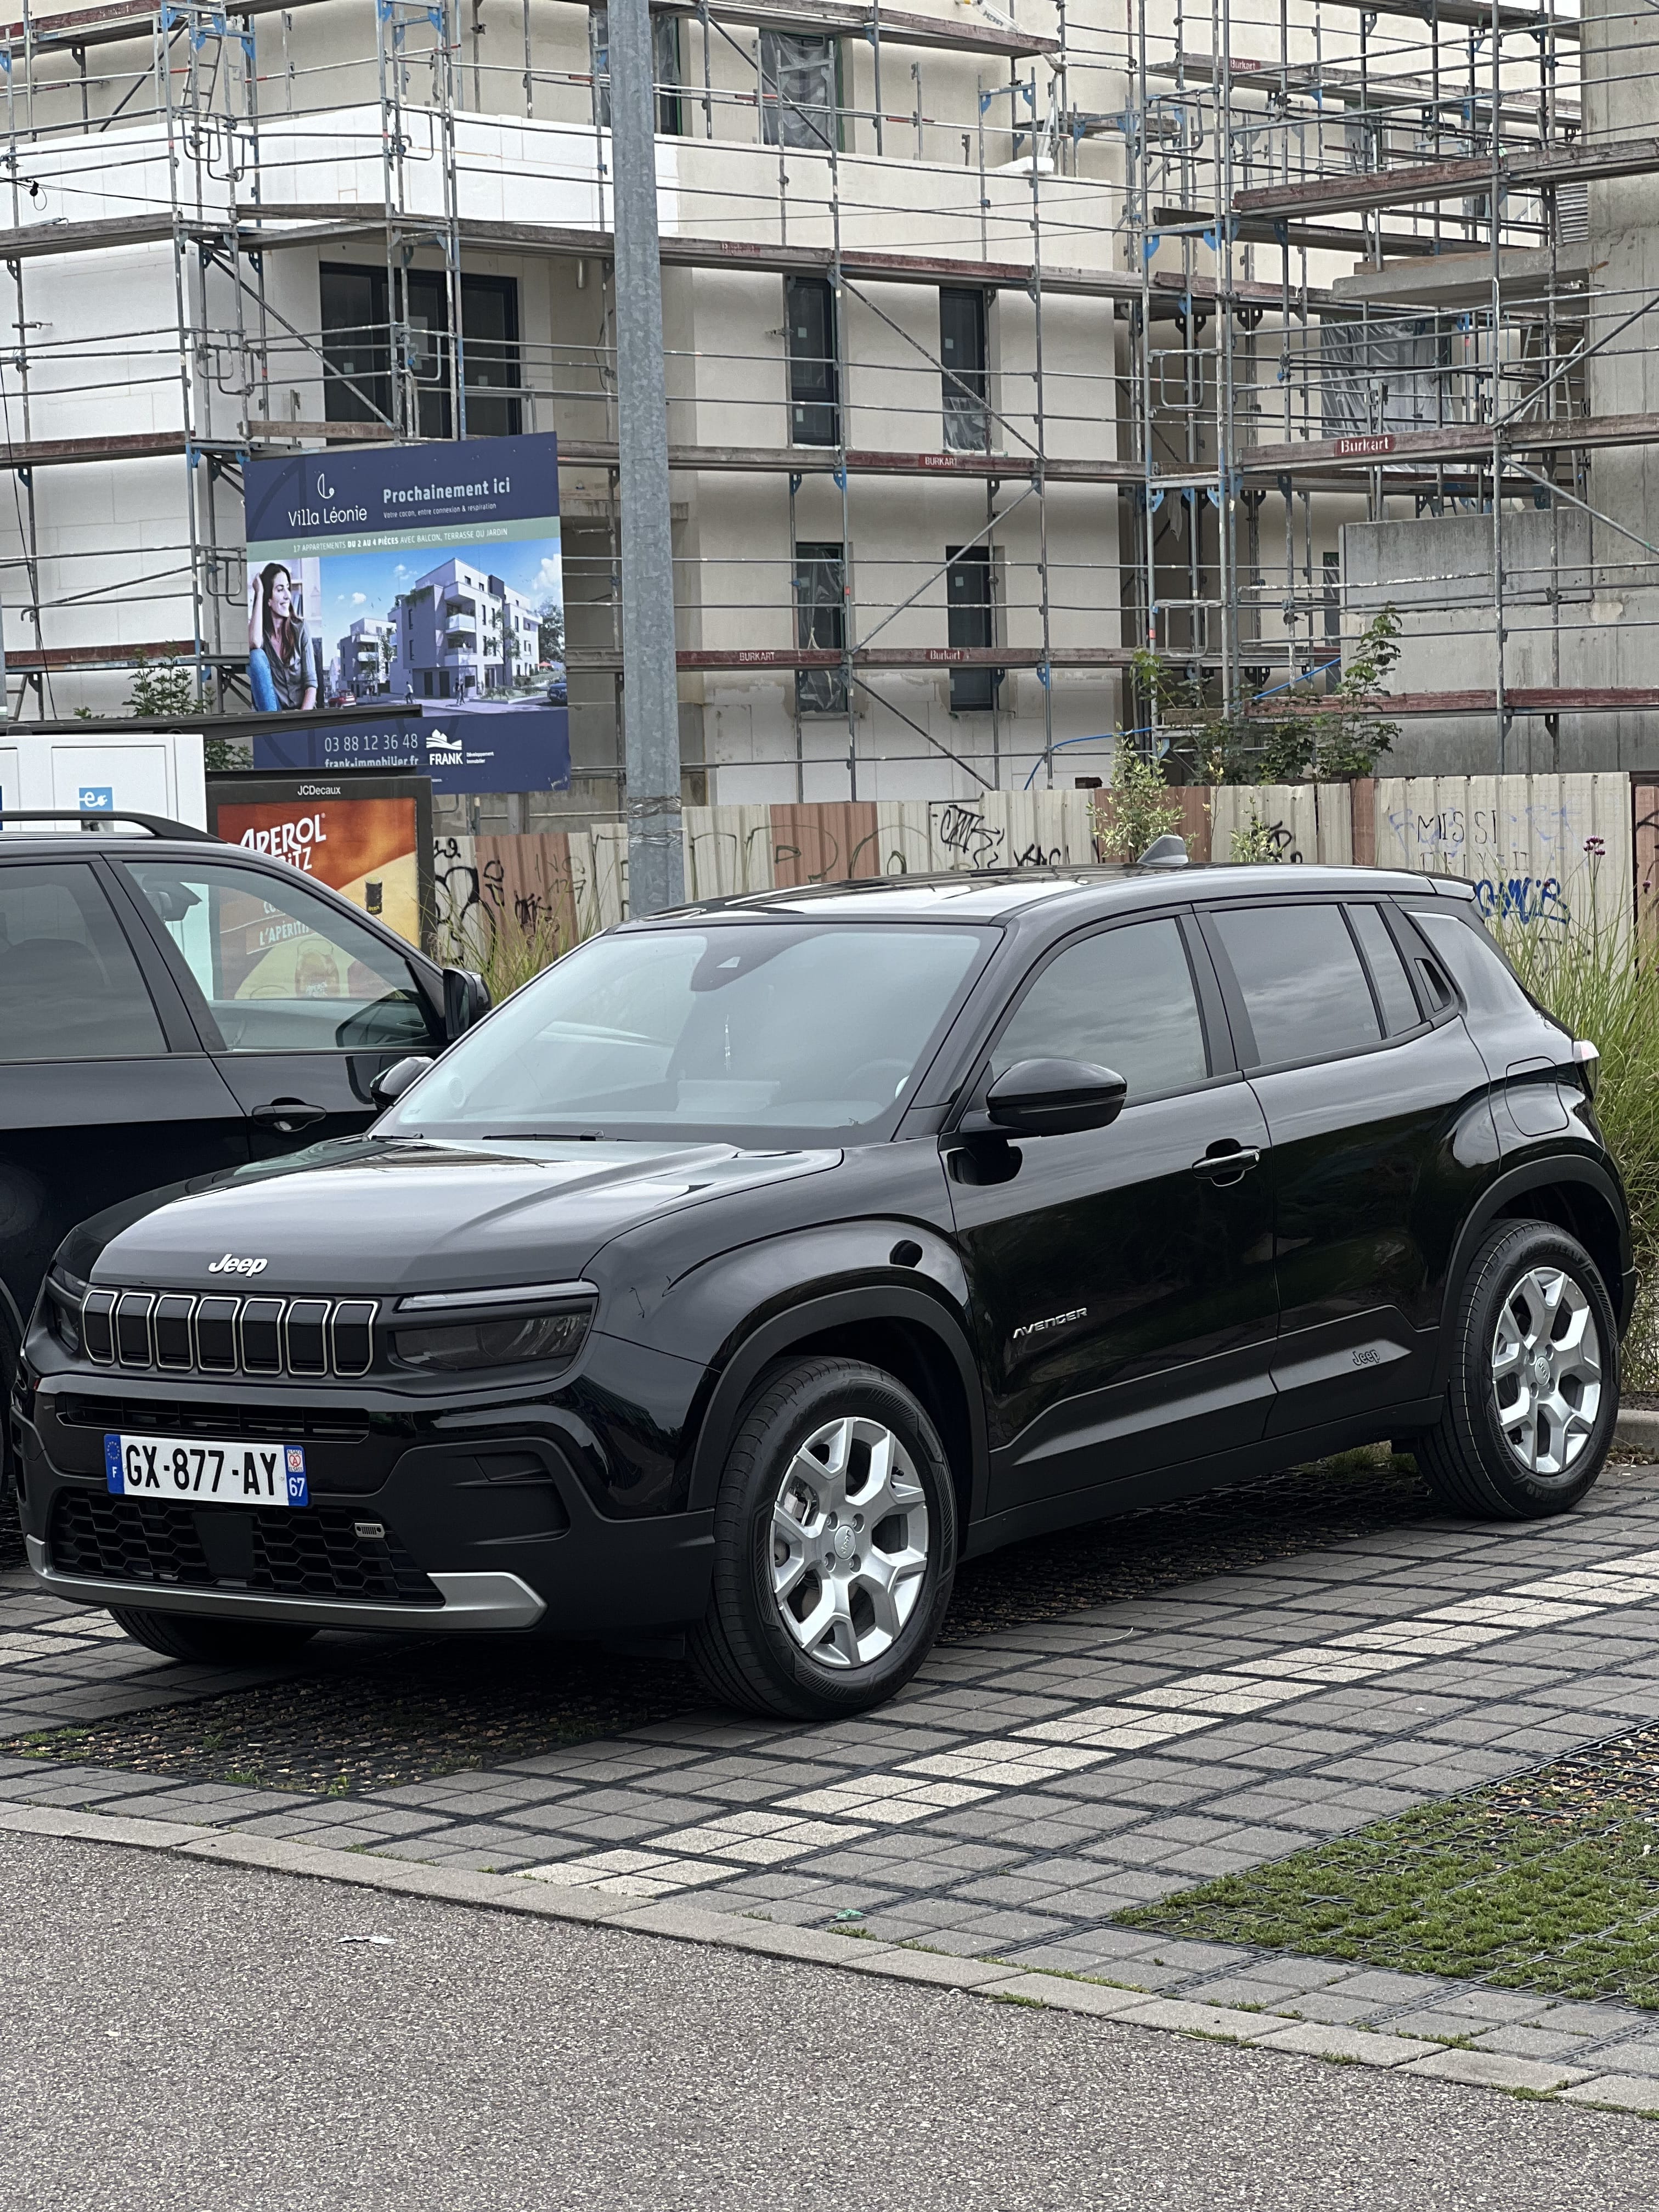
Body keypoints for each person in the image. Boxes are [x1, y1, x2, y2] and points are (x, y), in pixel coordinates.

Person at [247, 562, 317, 713]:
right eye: (280, 590)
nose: (288, 596)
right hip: (275, 711)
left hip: (302, 712)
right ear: (269, 600)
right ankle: (274, 725)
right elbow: (254, 642)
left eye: (288, 588)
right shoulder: (261, 635)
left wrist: (302, 720)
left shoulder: (301, 629)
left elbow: (311, 685)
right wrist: (259, 594)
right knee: (256, 656)